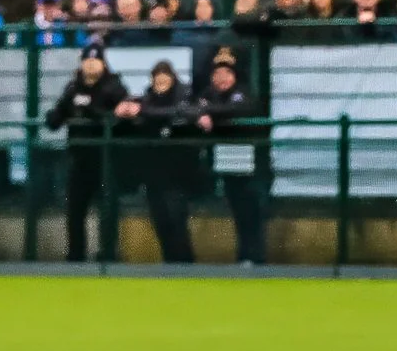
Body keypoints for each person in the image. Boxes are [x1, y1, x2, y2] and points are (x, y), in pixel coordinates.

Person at [45, 44, 127, 263]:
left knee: (107, 210)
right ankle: (76, 255)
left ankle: (108, 255)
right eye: (87, 60)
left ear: (103, 63)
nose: (91, 64)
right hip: (78, 158)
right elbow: (57, 117)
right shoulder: (73, 87)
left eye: (95, 60)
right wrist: (55, 114)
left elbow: (121, 120)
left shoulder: (114, 87)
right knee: (74, 210)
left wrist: (92, 110)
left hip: (105, 158)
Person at [121, 60, 200, 263]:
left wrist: (143, 112)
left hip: (179, 172)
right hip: (153, 173)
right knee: (161, 220)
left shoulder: (185, 98)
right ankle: (170, 263)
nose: (161, 83)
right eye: (158, 80)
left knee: (176, 219)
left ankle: (185, 265)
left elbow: (182, 113)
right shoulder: (146, 100)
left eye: (165, 79)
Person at [197, 54, 266, 264]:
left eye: (226, 73)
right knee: (238, 212)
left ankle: (254, 257)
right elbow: (195, 107)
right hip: (225, 164)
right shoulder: (207, 94)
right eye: (217, 74)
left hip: (250, 166)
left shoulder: (242, 94)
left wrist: (211, 115)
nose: (222, 78)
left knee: (252, 213)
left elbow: (239, 109)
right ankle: (244, 256)